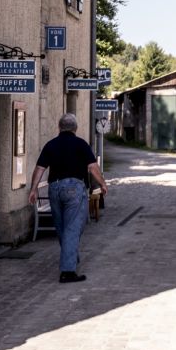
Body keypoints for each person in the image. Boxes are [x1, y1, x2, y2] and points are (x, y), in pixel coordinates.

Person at [28, 113, 109, 283]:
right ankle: (68, 272)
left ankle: (70, 256)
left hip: (54, 189)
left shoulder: (51, 145)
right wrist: (102, 184)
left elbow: (39, 169)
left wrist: (33, 190)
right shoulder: (81, 144)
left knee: (62, 228)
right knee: (73, 228)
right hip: (74, 188)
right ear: (75, 128)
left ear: (59, 127)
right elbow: (93, 167)